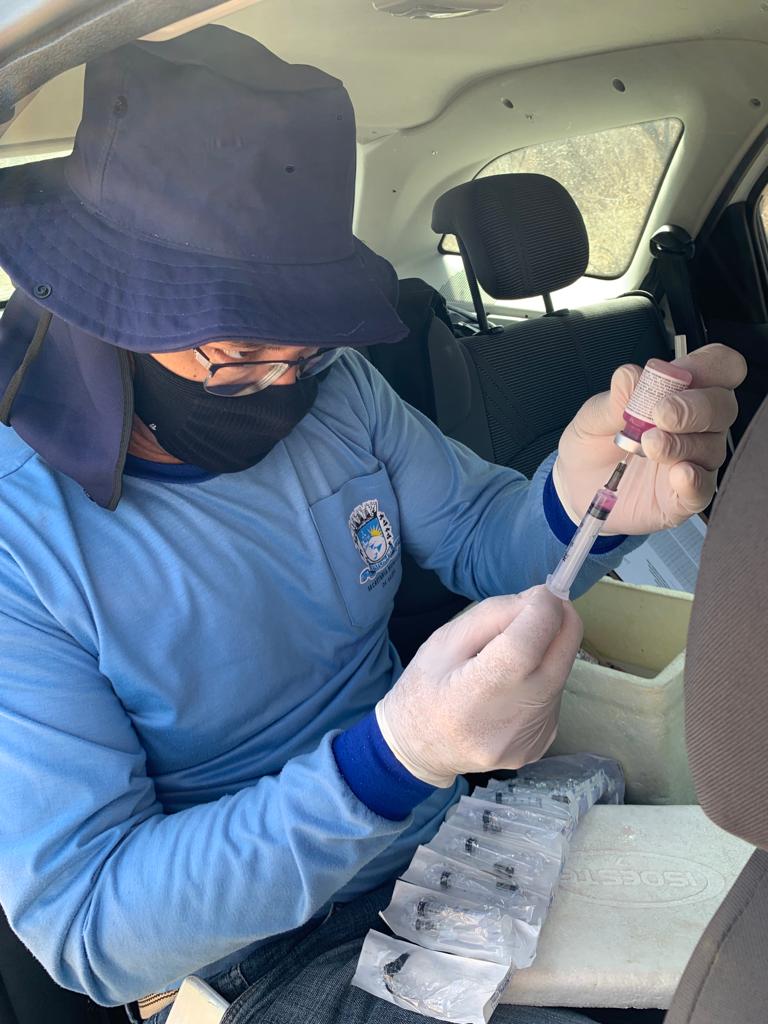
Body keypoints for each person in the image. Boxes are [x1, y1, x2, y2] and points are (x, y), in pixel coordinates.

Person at [0, 25, 745, 1024]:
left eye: (304, 343)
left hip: (458, 837)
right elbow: (91, 927)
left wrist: (591, 503)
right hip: (261, 952)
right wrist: (395, 757)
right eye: (239, 349)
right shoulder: (21, 538)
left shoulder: (338, 391)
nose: (284, 382)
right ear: (112, 310)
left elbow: (483, 539)